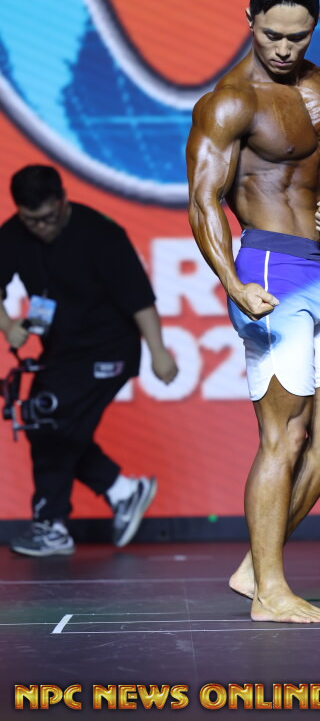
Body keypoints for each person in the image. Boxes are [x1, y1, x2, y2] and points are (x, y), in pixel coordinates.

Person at [187, 0, 320, 623]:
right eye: (271, 34)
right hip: (269, 276)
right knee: (285, 435)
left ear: (314, 27)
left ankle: (257, 565)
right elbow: (203, 202)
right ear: (250, 21)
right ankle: (270, 593)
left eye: (296, 37)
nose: (282, 48)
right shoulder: (229, 102)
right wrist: (233, 284)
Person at [0, 165, 178, 557]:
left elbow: (140, 299)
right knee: (41, 420)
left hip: (109, 347)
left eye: (48, 218)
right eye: (31, 220)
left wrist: (159, 351)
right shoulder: (12, 234)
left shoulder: (101, 234)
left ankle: (51, 524)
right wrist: (8, 324)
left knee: (51, 416)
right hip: (62, 349)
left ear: (62, 201)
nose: (41, 227)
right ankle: (122, 491)